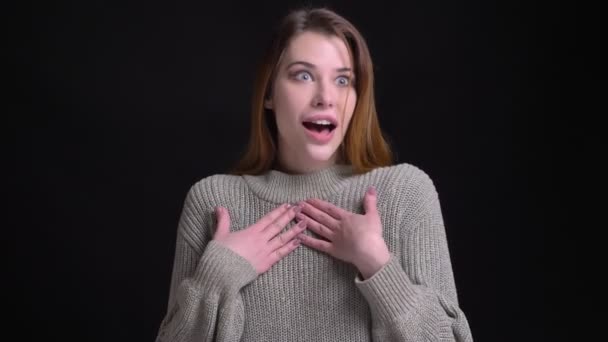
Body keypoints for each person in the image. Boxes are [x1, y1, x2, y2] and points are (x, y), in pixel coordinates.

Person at [155, 7, 473, 342]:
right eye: (303, 76)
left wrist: (378, 263)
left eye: (342, 80)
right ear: (268, 94)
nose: (326, 98)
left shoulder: (404, 193)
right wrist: (216, 277)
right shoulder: (213, 202)